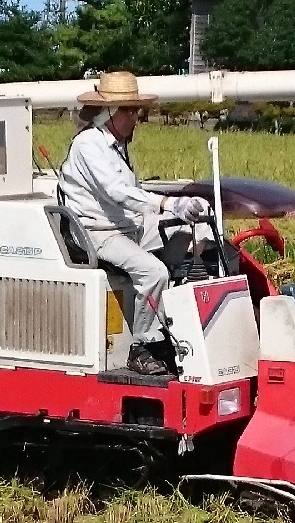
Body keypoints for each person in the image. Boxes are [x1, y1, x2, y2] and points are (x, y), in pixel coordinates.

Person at [60, 71, 213, 376]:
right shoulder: (89, 144)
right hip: (97, 233)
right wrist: (168, 203)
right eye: (129, 110)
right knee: (153, 271)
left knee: (195, 229)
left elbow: (130, 192)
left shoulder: (116, 144)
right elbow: (117, 192)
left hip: (124, 228)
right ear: (108, 113)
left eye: (136, 109)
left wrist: (186, 205)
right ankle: (142, 347)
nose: (135, 117)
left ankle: (169, 307)